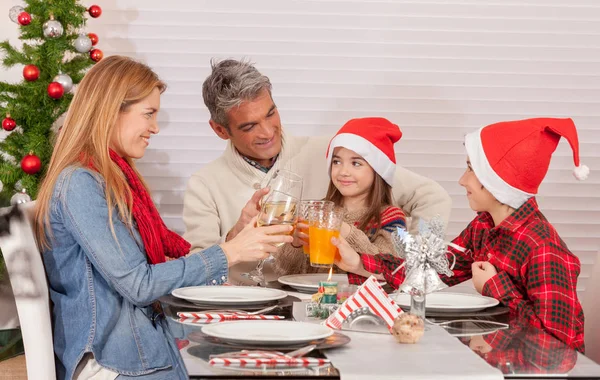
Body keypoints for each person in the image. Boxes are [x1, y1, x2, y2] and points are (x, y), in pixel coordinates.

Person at [34, 55, 292, 380]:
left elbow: (162, 271)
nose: (155, 127)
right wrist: (231, 252)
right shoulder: (81, 184)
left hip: (145, 344)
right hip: (116, 360)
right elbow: (140, 285)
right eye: (149, 114)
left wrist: (236, 236)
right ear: (111, 111)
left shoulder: (115, 178)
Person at [182, 58, 452, 285]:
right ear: (220, 130)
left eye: (271, 113)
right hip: (242, 316)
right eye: (249, 126)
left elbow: (431, 197)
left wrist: (409, 268)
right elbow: (197, 272)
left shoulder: (336, 157)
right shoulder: (204, 185)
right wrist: (236, 233)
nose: (267, 132)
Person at [333, 117, 587, 352]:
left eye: (470, 169)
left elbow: (556, 345)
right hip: (497, 353)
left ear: (497, 179)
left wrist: (495, 287)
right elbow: (431, 271)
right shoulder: (484, 227)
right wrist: (357, 262)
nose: (462, 180)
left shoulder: (543, 247)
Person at [273, 117, 407, 276]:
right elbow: (285, 272)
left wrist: (345, 230)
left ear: (378, 170)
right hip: (315, 297)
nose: (343, 171)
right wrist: (294, 244)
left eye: (356, 163)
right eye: (336, 162)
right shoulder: (319, 210)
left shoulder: (391, 218)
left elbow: (391, 270)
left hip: (360, 299)